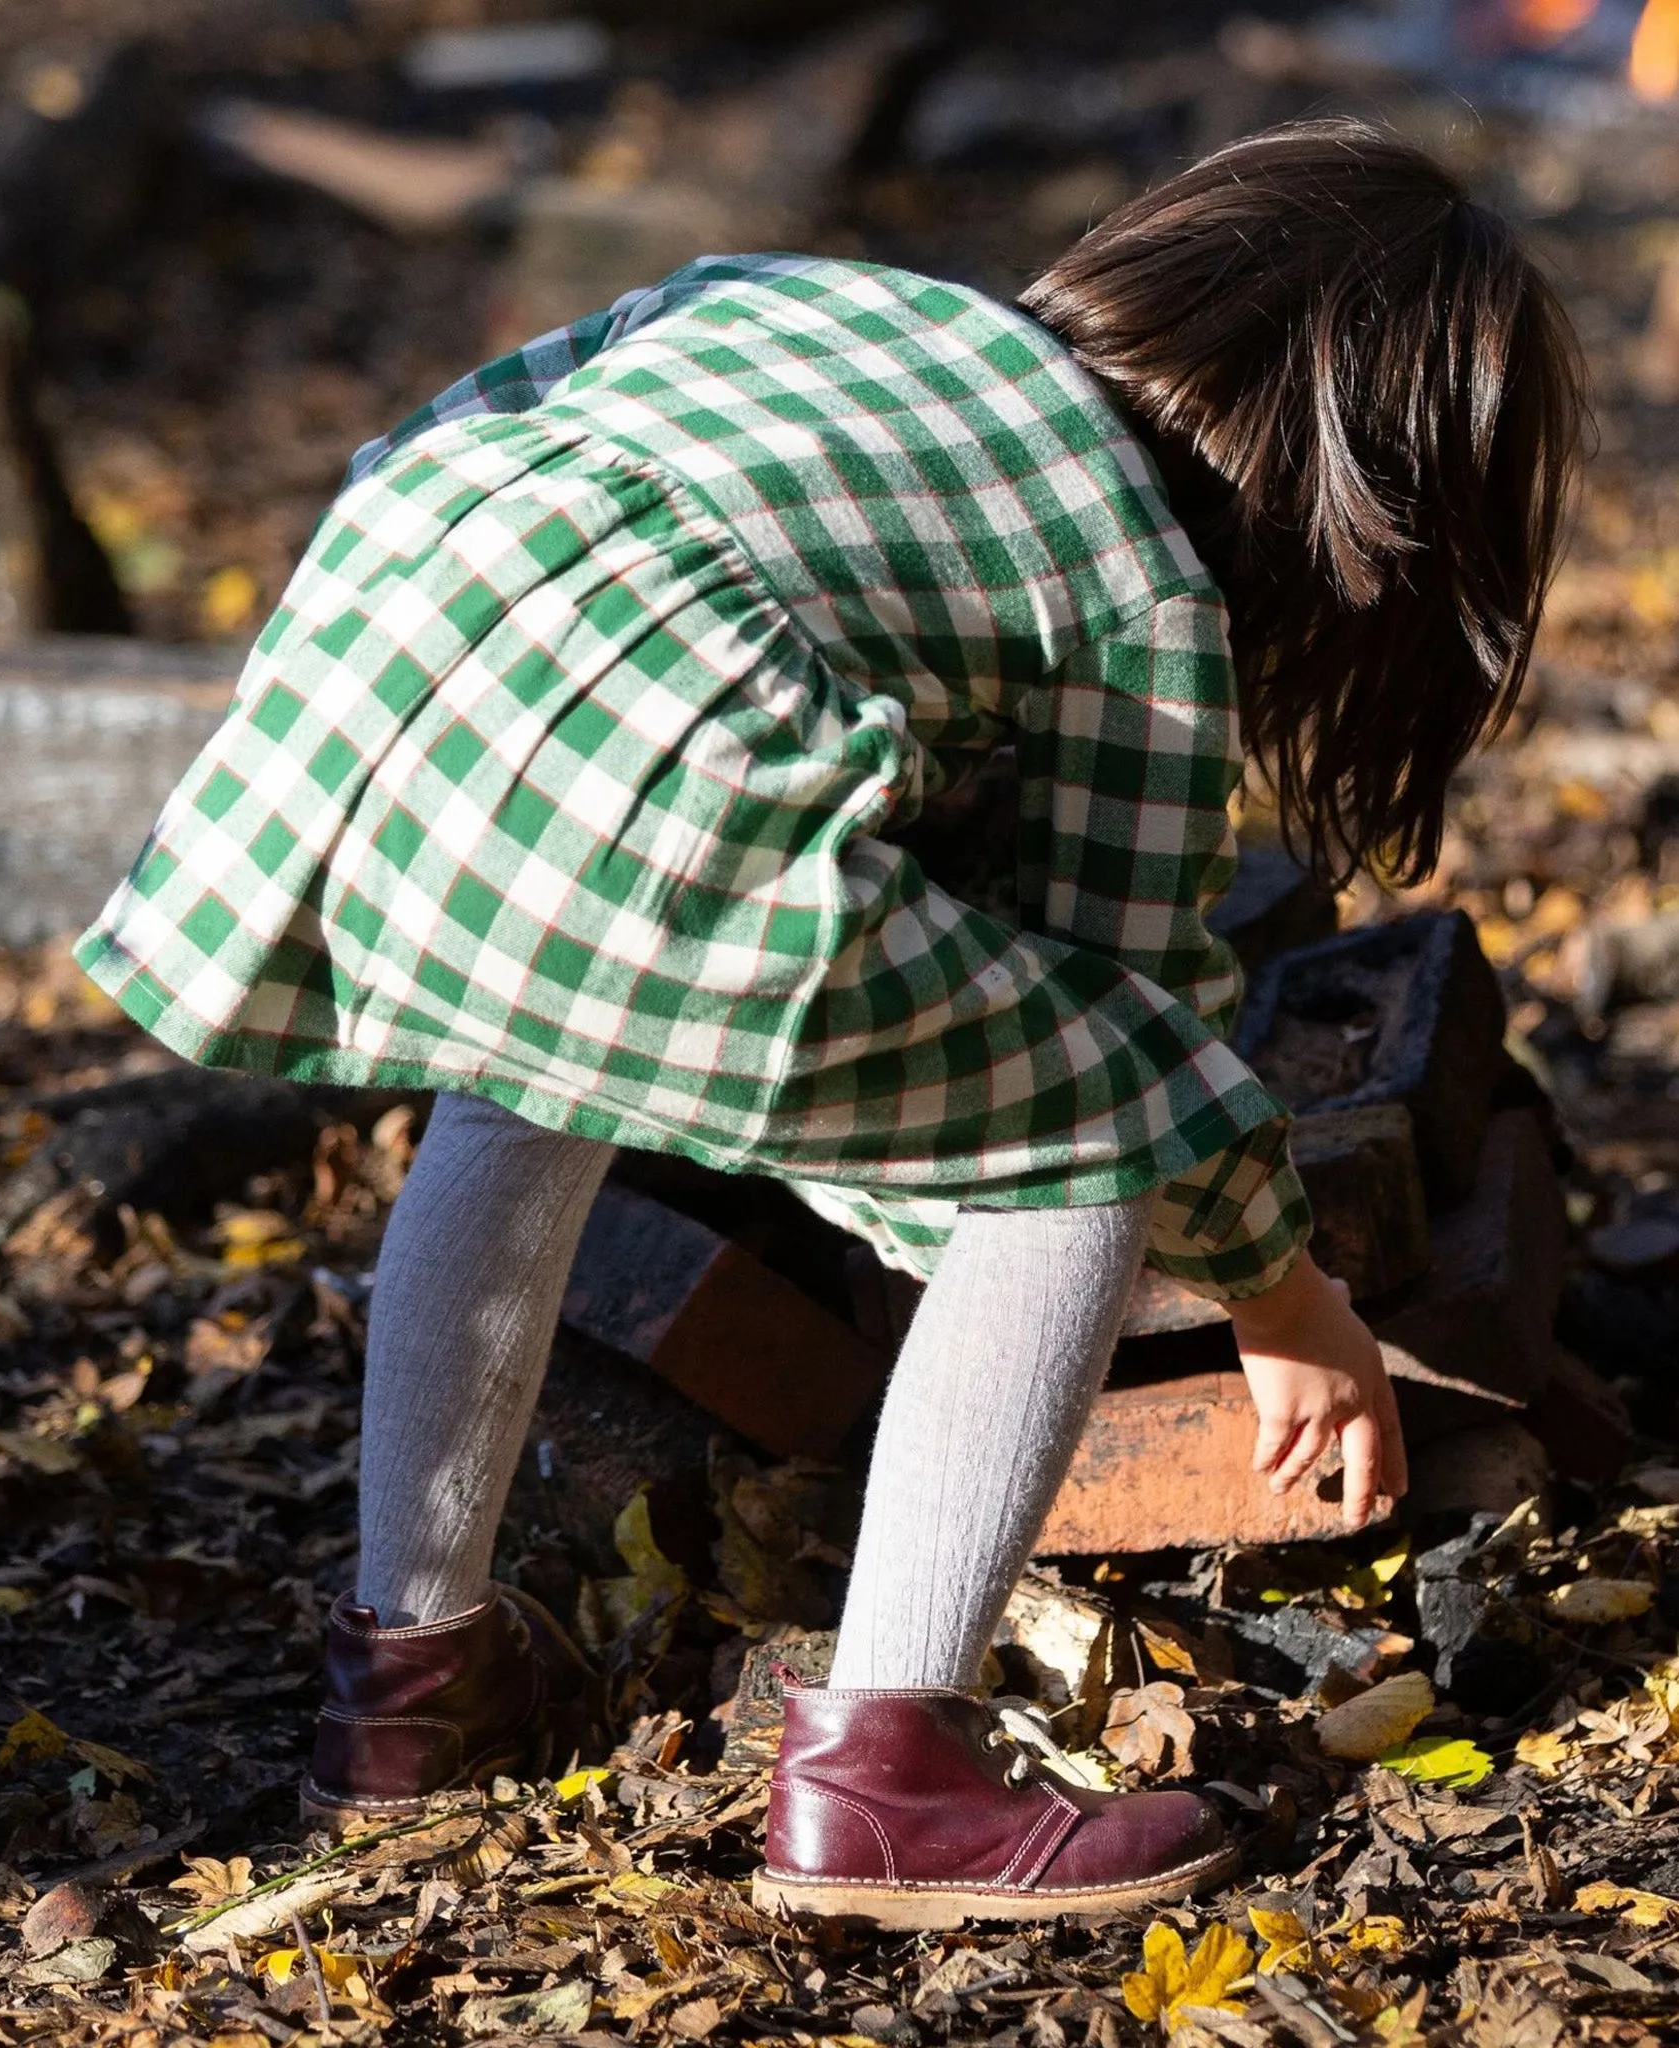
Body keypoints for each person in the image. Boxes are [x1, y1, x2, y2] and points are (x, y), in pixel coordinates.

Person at [76, 119, 1583, 1929]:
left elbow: (544, 401)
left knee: (522, 1081)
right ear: (1374, 488)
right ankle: (891, 1773)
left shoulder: (818, 302)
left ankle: (406, 1687)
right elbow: (1123, 1022)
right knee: (1083, 1143)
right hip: (657, 774)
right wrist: (1284, 1291)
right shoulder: (1134, 584)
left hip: (392, 658)